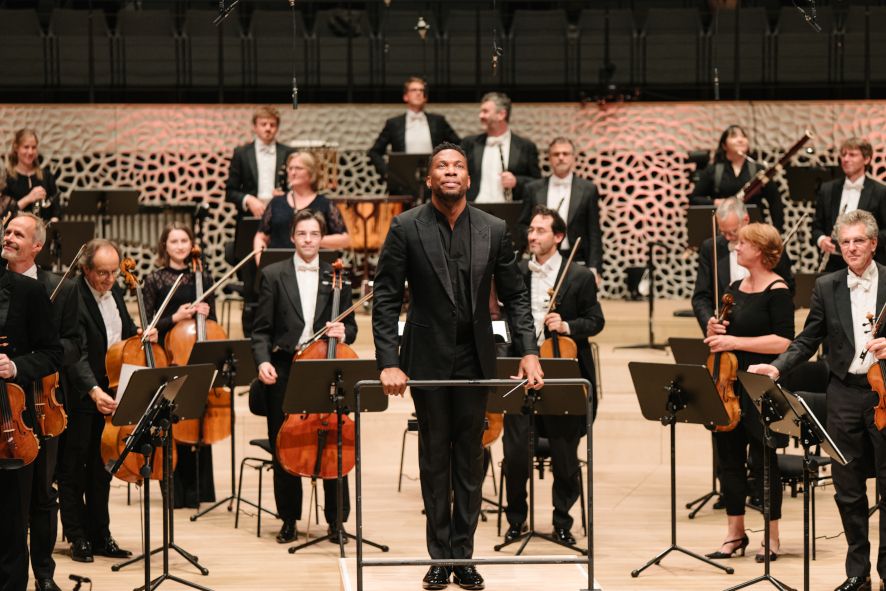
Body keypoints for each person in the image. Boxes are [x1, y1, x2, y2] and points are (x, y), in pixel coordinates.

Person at [373, 142, 544, 590]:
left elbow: (516, 295)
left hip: (476, 358)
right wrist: (388, 362)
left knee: (470, 457)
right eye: (441, 167)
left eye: (458, 167)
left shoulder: (493, 227)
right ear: (429, 179)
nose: (450, 172)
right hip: (426, 360)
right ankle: (438, 555)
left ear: (469, 179)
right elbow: (386, 298)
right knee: (434, 457)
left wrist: (528, 351)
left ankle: (463, 555)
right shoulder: (405, 227)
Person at [749, 209, 886, 591]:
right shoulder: (827, 286)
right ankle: (857, 572)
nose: (852, 248)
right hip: (844, 394)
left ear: (873, 243)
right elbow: (808, 339)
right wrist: (777, 368)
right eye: (846, 242)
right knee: (848, 489)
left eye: (859, 240)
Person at [252, 209, 357, 545]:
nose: (309, 240)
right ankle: (288, 519)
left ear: (321, 238)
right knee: (285, 442)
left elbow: (351, 327)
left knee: (334, 440)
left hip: (324, 367)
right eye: (302, 234)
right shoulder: (272, 275)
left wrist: (343, 332)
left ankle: (336, 522)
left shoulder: (336, 275)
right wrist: (261, 362)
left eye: (314, 234)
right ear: (292, 237)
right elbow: (261, 331)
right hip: (284, 366)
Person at [502, 206, 604, 548]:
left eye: (541, 231)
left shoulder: (578, 276)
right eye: (531, 230)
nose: (532, 236)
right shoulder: (516, 271)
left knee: (564, 457)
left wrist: (568, 326)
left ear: (558, 237)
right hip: (521, 372)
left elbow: (596, 320)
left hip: (563, 372)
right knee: (514, 454)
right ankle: (516, 519)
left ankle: (563, 521)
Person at [699, 222, 793, 563]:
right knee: (730, 459)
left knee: (764, 461)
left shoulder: (778, 290)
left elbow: (784, 341)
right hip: (729, 386)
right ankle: (734, 534)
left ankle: (772, 537)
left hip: (761, 385)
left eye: (742, 244)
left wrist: (734, 341)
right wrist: (715, 328)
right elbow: (724, 332)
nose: (736, 249)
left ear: (760, 251)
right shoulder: (734, 287)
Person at [58, 239, 156, 563]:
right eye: (102, 273)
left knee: (103, 468)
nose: (110, 279)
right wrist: (93, 390)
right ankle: (77, 537)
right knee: (74, 469)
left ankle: (101, 535)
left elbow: (123, 335)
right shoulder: (72, 294)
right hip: (84, 394)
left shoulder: (114, 292)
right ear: (85, 269)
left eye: (114, 272)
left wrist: (141, 332)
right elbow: (76, 352)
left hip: (112, 391)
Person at [1, 213, 81, 591]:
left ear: (37, 245)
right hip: (6, 409)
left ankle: (44, 575)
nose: (10, 237)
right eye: (7, 230)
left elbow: (64, 346)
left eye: (19, 233)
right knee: (10, 506)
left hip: (39, 406)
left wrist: (18, 365)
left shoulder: (53, 287)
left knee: (41, 496)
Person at [141, 222, 217, 509]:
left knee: (198, 421)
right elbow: (148, 326)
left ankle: (198, 492)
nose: (181, 246)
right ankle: (174, 491)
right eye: (174, 241)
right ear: (165, 246)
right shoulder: (155, 280)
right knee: (170, 423)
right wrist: (174, 317)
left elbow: (214, 327)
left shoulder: (203, 277)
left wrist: (207, 314)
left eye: (185, 240)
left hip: (195, 357)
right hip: (168, 357)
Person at [224, 106, 293, 336]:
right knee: (252, 282)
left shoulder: (288, 152)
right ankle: (250, 336)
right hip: (250, 222)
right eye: (263, 124)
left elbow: (296, 187)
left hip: (281, 222)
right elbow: (230, 191)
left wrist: (283, 196)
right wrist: (248, 200)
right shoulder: (241, 153)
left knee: (282, 276)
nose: (268, 128)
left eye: (272, 124)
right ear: (255, 126)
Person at [692, 198, 794, 334]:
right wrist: (712, 325)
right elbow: (701, 297)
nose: (728, 238)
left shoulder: (768, 245)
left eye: (733, 231)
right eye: (723, 232)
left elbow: (788, 289)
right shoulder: (711, 248)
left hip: (763, 331)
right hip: (727, 331)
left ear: (746, 220)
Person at [519, 137, 603, 281]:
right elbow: (523, 224)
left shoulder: (588, 189)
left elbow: (594, 231)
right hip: (541, 259)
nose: (561, 157)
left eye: (565, 154)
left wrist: (595, 267)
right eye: (556, 154)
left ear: (573, 158)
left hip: (576, 259)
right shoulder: (532, 188)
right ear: (549, 158)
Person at [368, 76, 461, 193]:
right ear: (405, 96)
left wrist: (449, 168)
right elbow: (374, 152)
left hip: (435, 183)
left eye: (422, 90)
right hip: (402, 185)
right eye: (414, 90)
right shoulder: (394, 124)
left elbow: (459, 146)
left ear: (425, 97)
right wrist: (388, 173)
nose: (418, 93)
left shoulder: (438, 121)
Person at [253, 151, 349, 258]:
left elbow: (344, 239)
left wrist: (312, 239)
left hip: (314, 267)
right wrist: (261, 262)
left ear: (311, 172)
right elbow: (260, 237)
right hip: (278, 268)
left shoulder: (324, 203)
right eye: (290, 168)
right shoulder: (276, 202)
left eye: (298, 168)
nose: (293, 173)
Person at [689, 125, 785, 232]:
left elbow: (775, 202)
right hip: (724, 230)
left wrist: (777, 231)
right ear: (724, 145)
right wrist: (717, 202)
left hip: (754, 231)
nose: (740, 140)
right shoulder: (713, 170)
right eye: (734, 136)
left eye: (743, 136)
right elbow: (694, 199)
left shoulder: (759, 170)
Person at [812, 137, 886, 273]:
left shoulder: (881, 191)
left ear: (867, 159)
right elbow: (816, 227)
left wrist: (863, 242)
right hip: (832, 266)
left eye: (852, 155)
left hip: (868, 266)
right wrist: (822, 240)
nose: (845, 159)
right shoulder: (827, 189)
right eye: (843, 154)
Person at [462, 92, 540, 203]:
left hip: (510, 211)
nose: (481, 116)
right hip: (475, 209)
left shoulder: (525, 146)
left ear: (501, 114)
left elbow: (538, 183)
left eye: (485, 111)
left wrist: (516, 181)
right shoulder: (469, 144)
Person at [2, 128, 61, 222]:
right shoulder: (6, 178)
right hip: (15, 233)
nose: (30, 152)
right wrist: (29, 198)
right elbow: (4, 216)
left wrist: (53, 222)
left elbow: (56, 210)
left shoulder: (47, 176)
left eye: (33, 147)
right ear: (16, 148)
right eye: (26, 147)